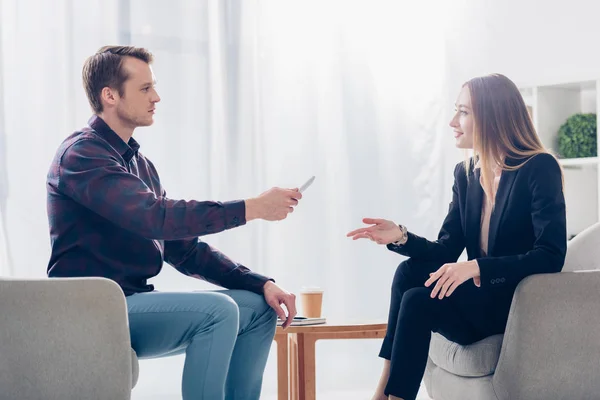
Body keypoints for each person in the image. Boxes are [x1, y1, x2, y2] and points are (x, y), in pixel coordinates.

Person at [46, 45, 299, 400]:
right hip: (91, 309)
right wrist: (252, 207)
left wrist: (261, 283)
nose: (157, 97)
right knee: (218, 311)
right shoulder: (82, 154)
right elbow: (156, 218)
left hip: (131, 303)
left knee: (258, 308)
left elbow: (184, 249)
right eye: (145, 88)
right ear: (110, 96)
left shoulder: (141, 166)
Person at [347, 73, 567, 400]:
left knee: (418, 301)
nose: (453, 121)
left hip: (513, 302)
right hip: (477, 299)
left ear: (492, 115)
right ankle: (384, 389)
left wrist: (478, 267)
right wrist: (401, 236)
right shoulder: (466, 174)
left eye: (463, 112)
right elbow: (446, 250)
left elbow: (550, 255)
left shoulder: (539, 168)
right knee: (409, 273)